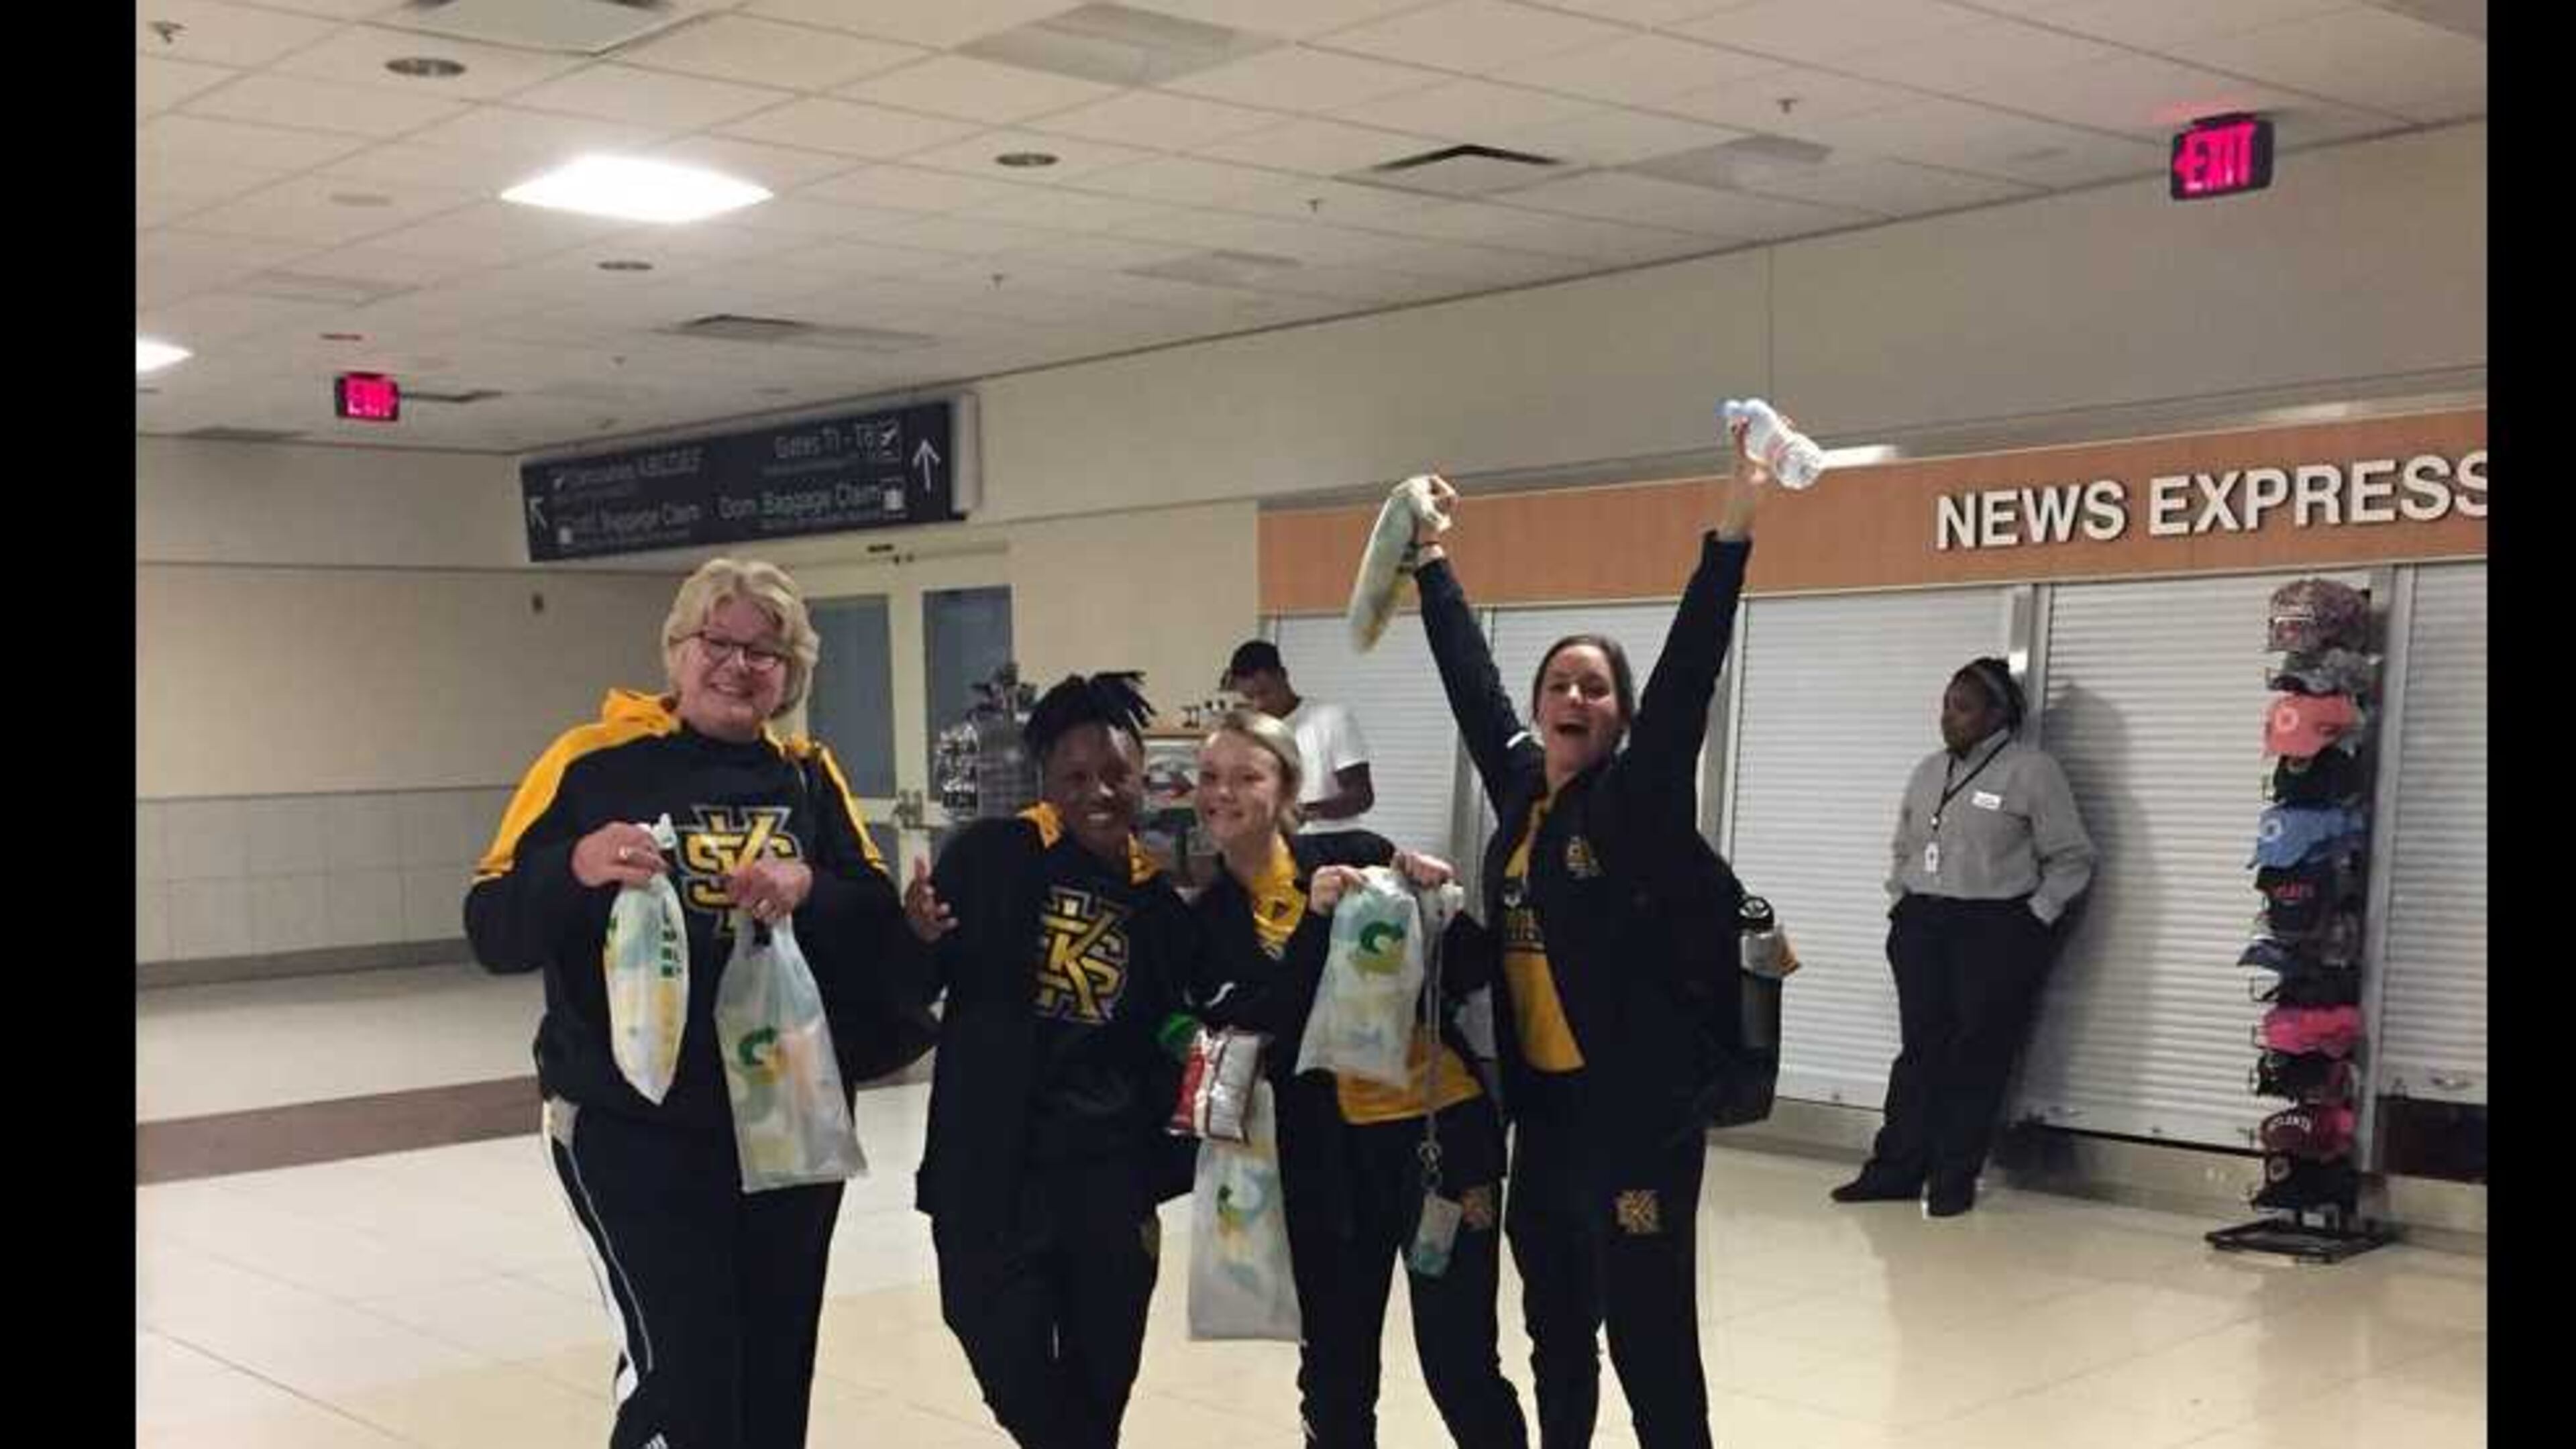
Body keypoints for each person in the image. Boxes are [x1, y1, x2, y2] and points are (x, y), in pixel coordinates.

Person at [464, 556, 928, 1449]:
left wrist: (807, 882)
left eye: (768, 650)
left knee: (774, 1366)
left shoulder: (809, 777)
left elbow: (871, 917)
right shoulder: (591, 766)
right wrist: (576, 867)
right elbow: (492, 927)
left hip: (787, 1124)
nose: (740, 665)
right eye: (719, 641)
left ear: (792, 675)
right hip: (636, 1126)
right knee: (682, 1378)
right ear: (677, 651)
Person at [1412, 440, 1766, 1449]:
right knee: (1556, 1326)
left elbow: (1692, 665)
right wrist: (1432, 565)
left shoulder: (1637, 800)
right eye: (1560, 686)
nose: (1575, 700)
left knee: (1652, 1339)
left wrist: (1734, 523)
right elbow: (1470, 683)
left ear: (1621, 717)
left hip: (1639, 1115)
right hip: (1548, 1119)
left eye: (1596, 689)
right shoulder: (1524, 790)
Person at [1190, 708, 1527, 1449]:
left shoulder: (1360, 854)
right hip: (1326, 1164)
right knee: (1337, 1371)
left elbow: (1468, 972)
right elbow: (1266, 1036)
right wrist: (1315, 925)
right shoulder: (1207, 919)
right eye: (1210, 777)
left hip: (1441, 1136)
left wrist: (1435, 904)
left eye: (1248, 775)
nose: (1222, 793)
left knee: (1460, 1361)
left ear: (1286, 791)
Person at [900, 672, 1202, 1449]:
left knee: (1102, 1388)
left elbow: (1177, 1026)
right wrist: (917, 938)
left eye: (1116, 776)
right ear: (1046, 782)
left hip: (1105, 1180)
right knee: (1005, 1358)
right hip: (988, 1173)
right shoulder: (989, 857)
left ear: (1144, 781)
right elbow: (912, 987)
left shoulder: (1159, 905)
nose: (1099, 792)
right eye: (1076, 777)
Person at [1833, 657, 2096, 1218]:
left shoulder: (2032, 771)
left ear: (1998, 714)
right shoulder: (1930, 770)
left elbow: (2072, 858)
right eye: (1946, 704)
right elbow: (1905, 842)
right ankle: (1896, 1168)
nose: (1948, 717)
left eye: (1963, 706)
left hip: (1995, 930)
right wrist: (1901, 898)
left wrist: (2034, 919)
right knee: (1919, 1053)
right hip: (1924, 925)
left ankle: (1954, 1177)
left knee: (1978, 1056)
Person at [1224, 639, 1375, 832]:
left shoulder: (1332, 718)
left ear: (1283, 676)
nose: (1259, 704)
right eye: (1250, 698)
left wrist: (1305, 812)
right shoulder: (1254, 732)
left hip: (1329, 841)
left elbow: (1362, 796)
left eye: (1264, 692)